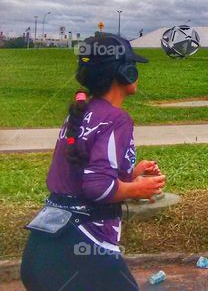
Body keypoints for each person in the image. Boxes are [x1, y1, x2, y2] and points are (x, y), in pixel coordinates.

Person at [20, 34, 165, 291]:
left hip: (45, 248)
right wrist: (137, 189)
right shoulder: (117, 119)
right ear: (125, 72)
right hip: (81, 247)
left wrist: (130, 175)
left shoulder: (81, 113)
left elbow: (79, 176)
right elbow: (97, 187)